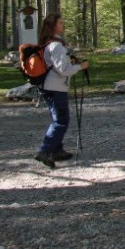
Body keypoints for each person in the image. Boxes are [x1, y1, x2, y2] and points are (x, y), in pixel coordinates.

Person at [34, 13, 89, 169]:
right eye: (60, 23)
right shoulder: (56, 45)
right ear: (53, 26)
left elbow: (58, 64)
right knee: (61, 120)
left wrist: (69, 61)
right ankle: (45, 150)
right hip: (55, 87)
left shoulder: (47, 44)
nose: (62, 25)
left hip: (49, 86)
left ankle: (57, 150)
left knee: (58, 118)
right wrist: (80, 67)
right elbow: (63, 70)